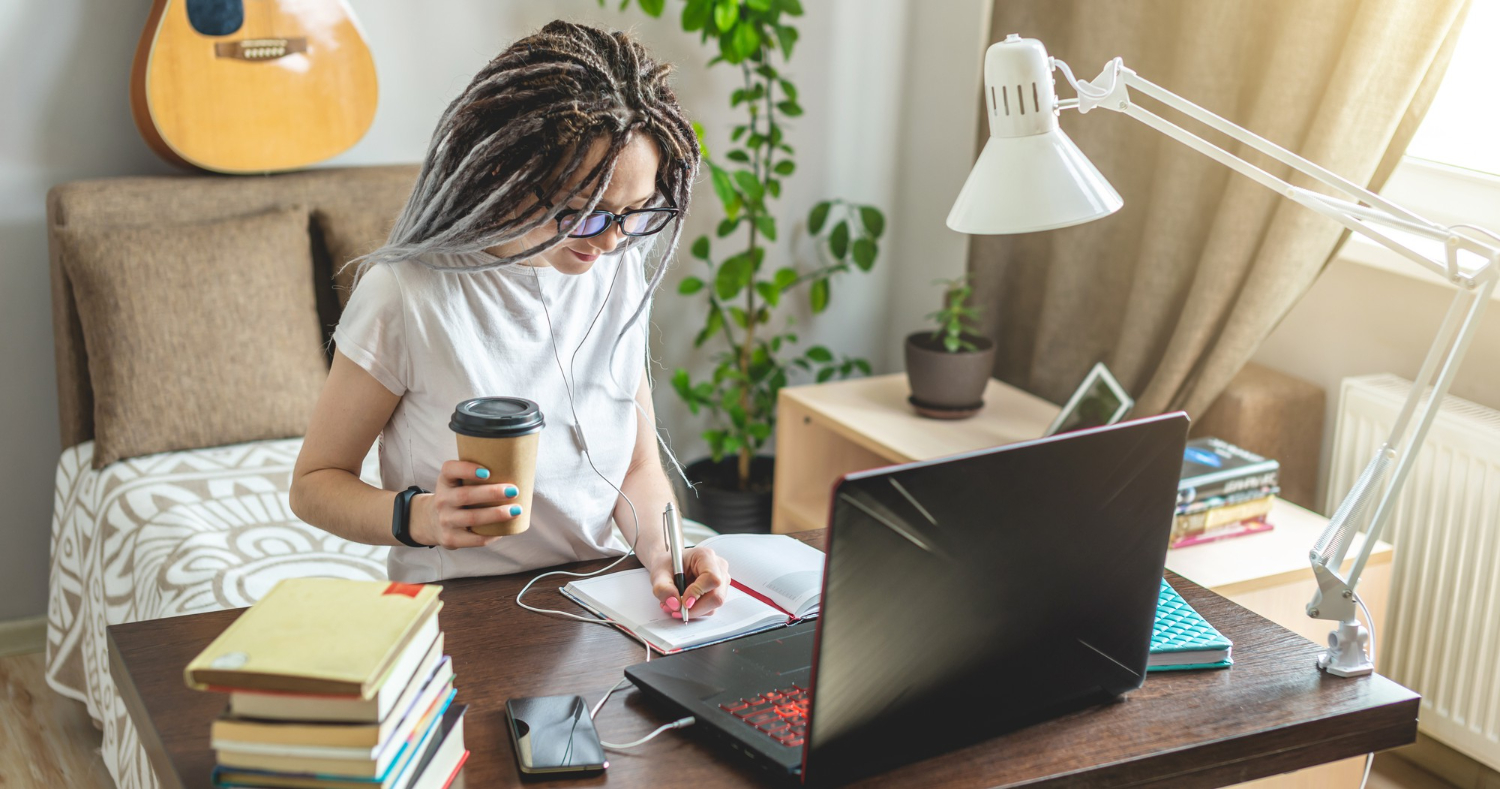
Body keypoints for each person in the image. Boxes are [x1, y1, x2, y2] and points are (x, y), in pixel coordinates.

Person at [289, 21, 731, 621]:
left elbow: (636, 466)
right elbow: (315, 483)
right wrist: (419, 516)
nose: (610, 241)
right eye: (583, 214)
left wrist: (667, 555)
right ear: (505, 171)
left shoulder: (618, 268)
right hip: (465, 615)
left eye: (634, 213)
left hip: (603, 600)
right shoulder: (406, 294)